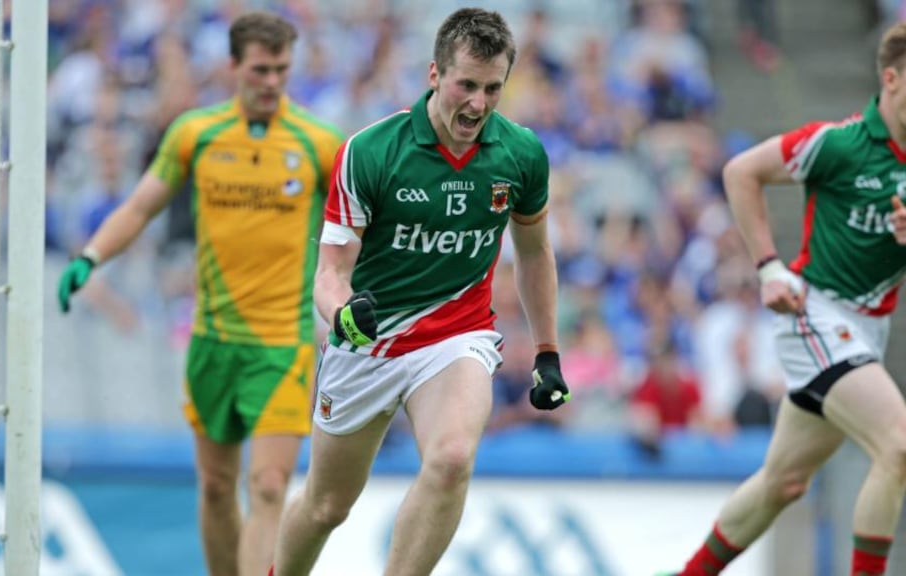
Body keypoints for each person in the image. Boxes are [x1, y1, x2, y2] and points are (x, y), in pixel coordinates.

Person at [269, 8, 571, 576]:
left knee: (453, 458)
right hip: (369, 340)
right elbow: (330, 274)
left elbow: (534, 252)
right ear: (435, 74)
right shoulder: (370, 151)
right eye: (466, 85)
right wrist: (343, 317)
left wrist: (548, 352)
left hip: (457, 336)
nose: (478, 104)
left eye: (492, 88)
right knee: (327, 505)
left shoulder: (522, 154)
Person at [56, 12, 344, 576]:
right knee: (216, 488)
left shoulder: (319, 144)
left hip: (283, 344)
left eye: (281, 70)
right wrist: (91, 257)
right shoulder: (197, 134)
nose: (271, 82)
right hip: (212, 339)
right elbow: (141, 205)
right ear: (233, 66)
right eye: (260, 69)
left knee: (267, 486)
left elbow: (362, 221)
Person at [660, 22, 906, 576]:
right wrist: (769, 265)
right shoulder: (840, 143)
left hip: (868, 330)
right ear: (890, 79)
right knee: (898, 447)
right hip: (814, 315)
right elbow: (741, 171)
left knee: (783, 482)